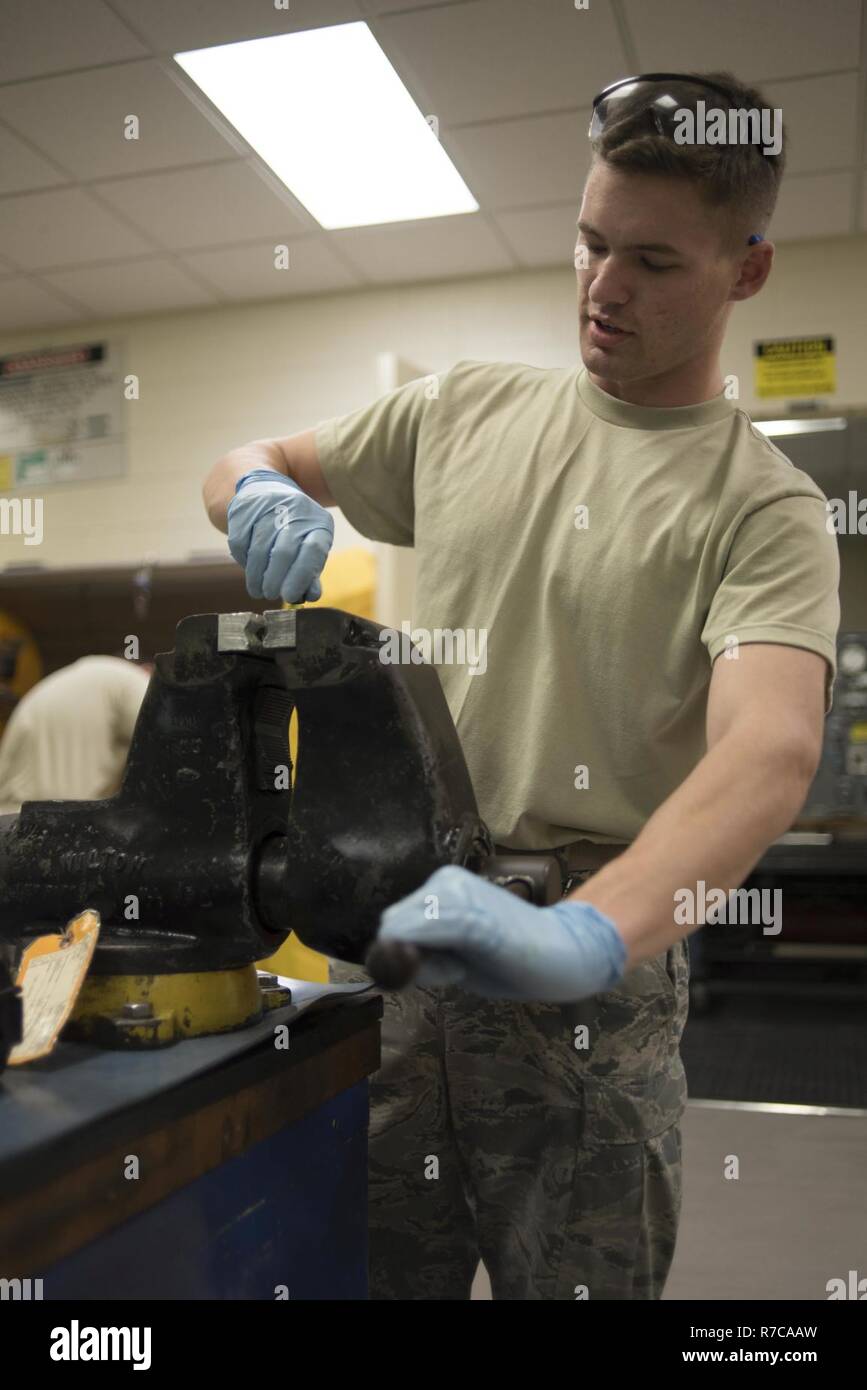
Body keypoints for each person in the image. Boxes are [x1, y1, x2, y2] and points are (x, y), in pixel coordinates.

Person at [202, 71, 839, 1300]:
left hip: (593, 990)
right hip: (395, 957)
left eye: (653, 261)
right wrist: (255, 491)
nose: (604, 289)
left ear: (746, 272)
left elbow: (767, 751)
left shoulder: (763, 507)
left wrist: (582, 936)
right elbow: (253, 456)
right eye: (593, 243)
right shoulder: (463, 412)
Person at [0, 655, 151, 814]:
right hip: (64, 822)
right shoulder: (132, 679)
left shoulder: (71, 679)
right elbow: (164, 737)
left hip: (12, 817)